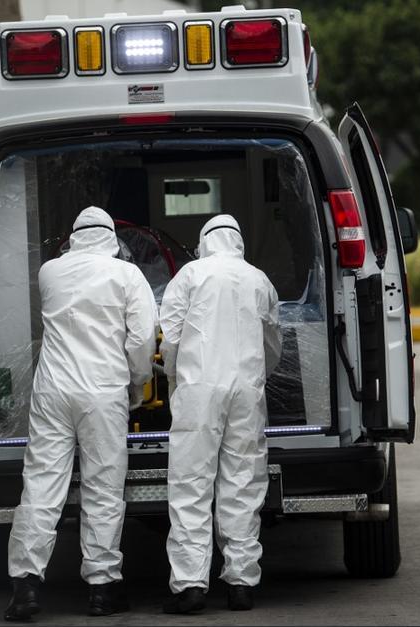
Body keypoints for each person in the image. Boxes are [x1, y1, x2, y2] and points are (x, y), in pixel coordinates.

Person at [4, 206, 157, 620]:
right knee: (102, 488)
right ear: (111, 238)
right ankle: (103, 589)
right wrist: (138, 383)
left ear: (73, 237)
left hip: (52, 390)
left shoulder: (49, 272)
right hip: (103, 392)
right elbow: (142, 338)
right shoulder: (127, 275)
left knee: (41, 484)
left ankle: (25, 586)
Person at [159, 214, 282, 614]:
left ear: (204, 242)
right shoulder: (259, 279)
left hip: (198, 390)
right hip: (246, 391)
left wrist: (175, 377)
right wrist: (255, 375)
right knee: (243, 482)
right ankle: (241, 583)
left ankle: (191, 586)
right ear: (238, 242)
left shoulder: (190, 275)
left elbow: (170, 338)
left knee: (191, 484)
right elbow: (272, 343)